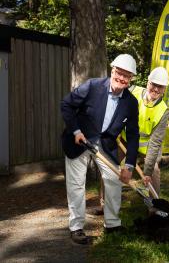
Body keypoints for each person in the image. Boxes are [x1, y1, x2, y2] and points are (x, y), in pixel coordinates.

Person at [61, 54, 139, 244]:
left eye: (126, 76)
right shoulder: (93, 86)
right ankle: (77, 227)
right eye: (119, 73)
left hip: (105, 145)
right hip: (79, 140)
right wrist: (76, 131)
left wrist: (129, 165)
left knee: (114, 181)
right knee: (77, 184)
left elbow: (133, 135)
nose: (121, 78)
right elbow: (67, 105)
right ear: (112, 71)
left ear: (131, 79)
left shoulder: (130, 102)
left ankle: (112, 224)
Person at [124, 67, 169, 194]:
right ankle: (104, 204)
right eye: (154, 84)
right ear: (148, 82)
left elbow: (155, 143)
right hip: (124, 139)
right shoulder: (132, 91)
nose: (155, 89)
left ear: (164, 89)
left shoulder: (163, 111)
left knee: (153, 171)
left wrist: (147, 172)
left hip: (148, 147)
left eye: (160, 87)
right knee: (109, 165)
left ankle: (155, 208)